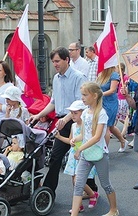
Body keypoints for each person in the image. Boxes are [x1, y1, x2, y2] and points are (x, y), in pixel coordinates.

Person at [56, 82, 118, 216]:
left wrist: (80, 148)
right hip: (87, 153)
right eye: (82, 95)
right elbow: (85, 133)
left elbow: (97, 137)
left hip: (99, 153)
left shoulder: (101, 113)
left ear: (94, 96)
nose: (82, 98)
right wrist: (75, 139)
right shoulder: (85, 113)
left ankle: (114, 210)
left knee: (105, 184)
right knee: (78, 183)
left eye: (85, 95)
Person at [28, 46, 87, 194]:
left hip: (76, 121)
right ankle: (48, 191)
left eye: (57, 61)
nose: (55, 64)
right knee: (55, 157)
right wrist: (37, 115)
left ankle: (91, 188)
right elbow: (53, 102)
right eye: (53, 62)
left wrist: (66, 120)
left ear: (67, 60)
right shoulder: (56, 78)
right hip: (62, 120)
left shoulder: (78, 77)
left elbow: (80, 104)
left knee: (83, 157)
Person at [55, 100, 98, 212]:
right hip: (74, 155)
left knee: (77, 180)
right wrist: (59, 137)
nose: (73, 115)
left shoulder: (86, 125)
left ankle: (92, 194)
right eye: (72, 113)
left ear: (82, 113)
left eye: (75, 113)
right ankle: (79, 204)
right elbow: (70, 140)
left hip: (83, 154)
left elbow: (89, 138)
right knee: (74, 179)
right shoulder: (73, 126)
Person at [96, 67, 127, 152]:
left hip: (110, 103)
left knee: (106, 126)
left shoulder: (114, 75)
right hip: (101, 102)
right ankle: (123, 140)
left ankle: (104, 150)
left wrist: (99, 94)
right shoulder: (101, 74)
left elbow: (113, 90)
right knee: (111, 126)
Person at [115, 63, 130, 151]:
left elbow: (127, 84)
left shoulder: (125, 77)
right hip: (118, 97)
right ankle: (127, 125)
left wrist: (125, 84)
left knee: (124, 115)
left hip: (123, 98)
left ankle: (124, 130)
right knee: (118, 116)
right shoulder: (118, 77)